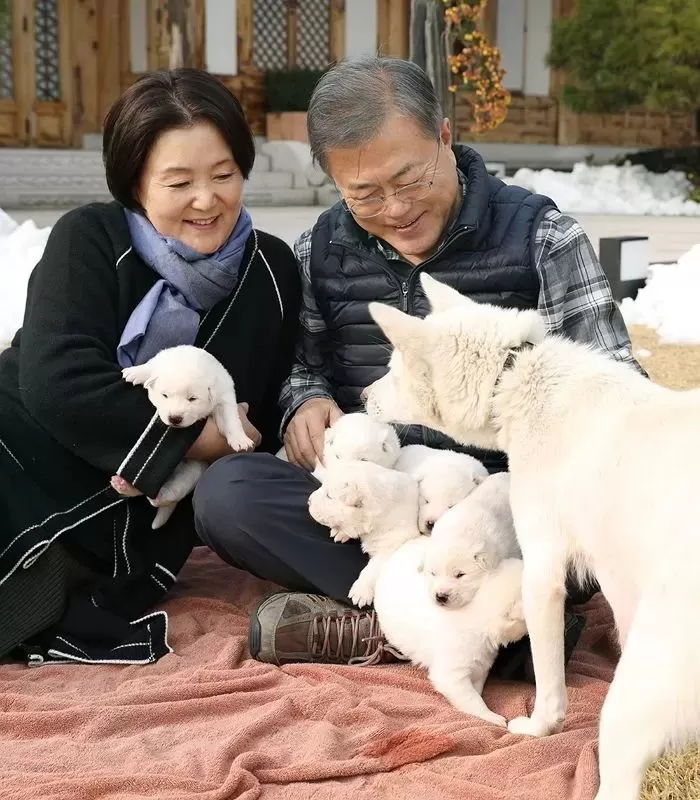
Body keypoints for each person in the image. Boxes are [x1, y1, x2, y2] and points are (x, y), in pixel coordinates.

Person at [193, 57, 641, 668]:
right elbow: (302, 364)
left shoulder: (541, 237)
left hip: (505, 503)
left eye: (408, 180)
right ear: (332, 183)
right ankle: (494, 633)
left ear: (445, 137)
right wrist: (306, 401)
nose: (395, 209)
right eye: (365, 195)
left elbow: (617, 390)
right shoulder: (318, 250)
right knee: (227, 495)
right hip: (381, 493)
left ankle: (394, 627)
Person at [0, 69, 300, 664]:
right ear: (135, 181)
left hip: (137, 519)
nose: (207, 199)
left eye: (224, 175)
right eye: (178, 181)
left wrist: (224, 439)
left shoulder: (273, 270)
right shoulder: (89, 236)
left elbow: (254, 407)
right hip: (24, 442)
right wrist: (196, 435)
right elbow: (56, 379)